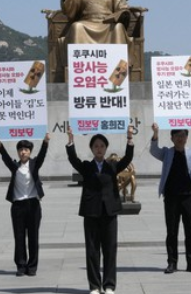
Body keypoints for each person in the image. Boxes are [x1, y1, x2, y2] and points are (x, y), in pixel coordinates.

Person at [66, 126, 134, 294]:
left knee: (110, 249)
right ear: (91, 148)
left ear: (106, 148)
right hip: (91, 213)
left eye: (102, 146)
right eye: (96, 146)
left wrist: (130, 138)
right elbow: (73, 159)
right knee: (92, 250)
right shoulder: (87, 167)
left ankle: (109, 285)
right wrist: (70, 140)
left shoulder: (112, 166)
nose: (99, 149)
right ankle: (95, 286)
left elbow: (128, 159)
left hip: (109, 213)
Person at [150, 123, 191, 274]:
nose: (180, 138)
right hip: (171, 197)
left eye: (183, 135)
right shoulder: (167, 153)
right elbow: (154, 150)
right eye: (177, 136)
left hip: (189, 197)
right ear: (171, 138)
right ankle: (172, 263)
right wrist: (156, 133)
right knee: (172, 231)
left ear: (187, 137)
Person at [0, 133, 50, 277]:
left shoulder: (34, 164)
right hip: (18, 205)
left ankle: (32, 267)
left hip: (33, 204)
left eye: (26, 149)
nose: (23, 152)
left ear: (30, 152)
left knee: (33, 237)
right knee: (19, 237)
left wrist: (45, 142)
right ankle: (20, 265)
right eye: (20, 149)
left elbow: (42, 156)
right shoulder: (15, 166)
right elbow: (5, 158)